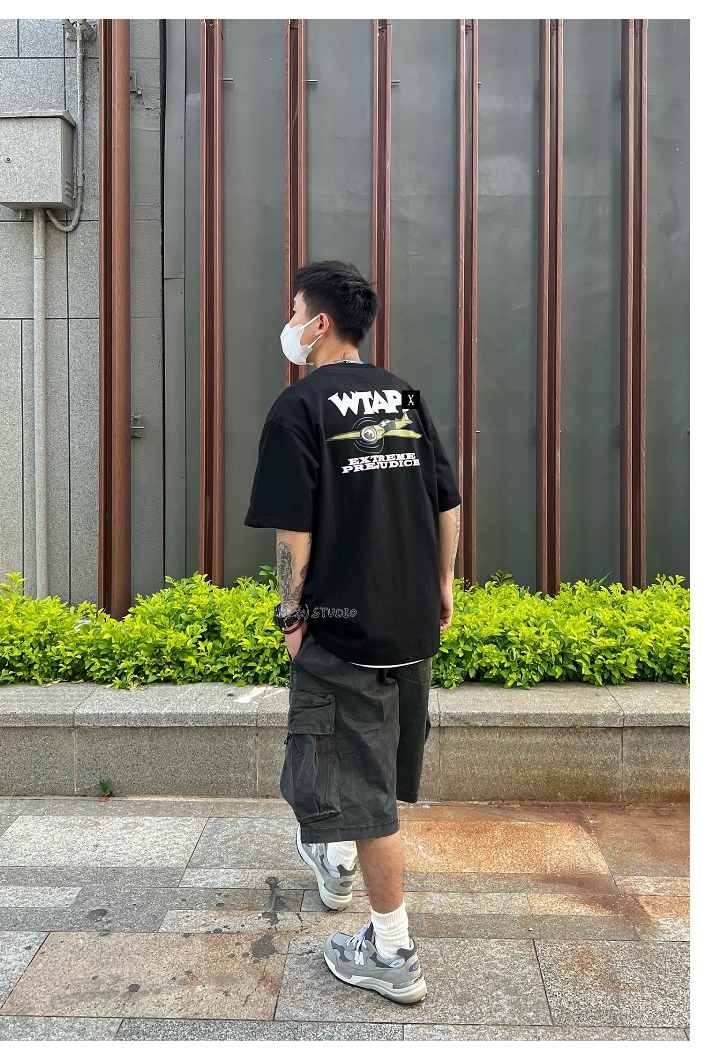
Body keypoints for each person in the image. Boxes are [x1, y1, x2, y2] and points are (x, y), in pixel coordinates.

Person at [244, 259, 462, 1004]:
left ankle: (392, 949)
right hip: (410, 622)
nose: (289, 325)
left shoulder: (299, 408)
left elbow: (293, 531)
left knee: (363, 793)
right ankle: (335, 861)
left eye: (294, 311)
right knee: (367, 772)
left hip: (343, 631)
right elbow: (447, 501)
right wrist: (442, 583)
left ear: (320, 322)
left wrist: (290, 613)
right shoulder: (404, 396)